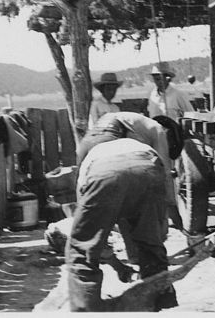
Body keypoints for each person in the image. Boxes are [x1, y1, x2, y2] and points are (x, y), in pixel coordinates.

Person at [65, 118, 184, 312]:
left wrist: (117, 266)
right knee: (150, 244)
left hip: (105, 173)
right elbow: (152, 230)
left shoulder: (88, 168)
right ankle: (157, 301)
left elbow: (95, 240)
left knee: (81, 250)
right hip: (149, 165)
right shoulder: (135, 141)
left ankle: (85, 309)